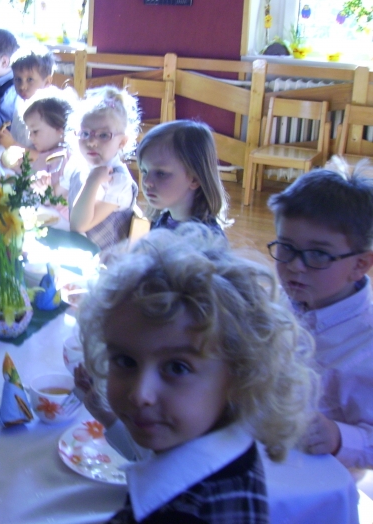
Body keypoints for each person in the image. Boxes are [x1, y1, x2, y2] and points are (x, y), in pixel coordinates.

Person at [76, 226, 317, 523]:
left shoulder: (185, 515)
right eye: (125, 361)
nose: (140, 394)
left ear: (240, 375)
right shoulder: (220, 442)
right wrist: (108, 417)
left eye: (177, 367)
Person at [267, 158, 373, 473]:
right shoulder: (276, 302)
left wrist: (338, 437)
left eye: (318, 254)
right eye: (286, 247)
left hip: (321, 485)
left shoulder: (366, 345)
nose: (295, 266)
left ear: (360, 265)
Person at [68, 86, 139, 258]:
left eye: (104, 135)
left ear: (122, 142)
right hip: (79, 252)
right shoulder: (80, 163)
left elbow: (79, 225)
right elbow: (61, 195)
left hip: (106, 262)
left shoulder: (118, 181)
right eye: (85, 133)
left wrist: (93, 181)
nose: (91, 142)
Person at [136, 119, 229, 235]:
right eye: (144, 171)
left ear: (195, 179)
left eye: (161, 173)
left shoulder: (207, 238)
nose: (146, 181)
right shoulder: (160, 222)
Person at [0, 97, 72, 200]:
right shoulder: (41, 150)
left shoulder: (62, 159)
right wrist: (13, 163)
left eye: (35, 131)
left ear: (59, 130)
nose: (30, 136)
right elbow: (28, 172)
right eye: (30, 131)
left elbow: (59, 198)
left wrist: (46, 190)